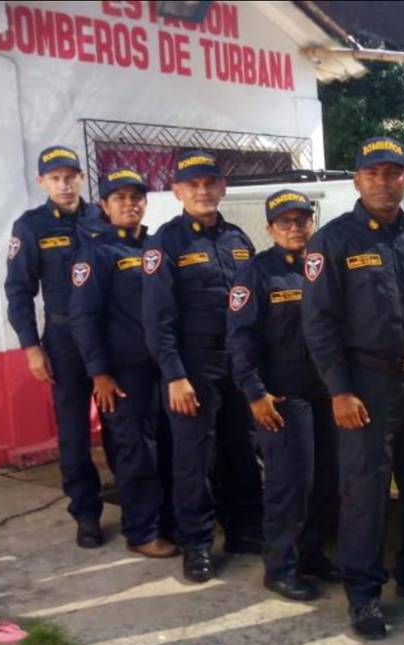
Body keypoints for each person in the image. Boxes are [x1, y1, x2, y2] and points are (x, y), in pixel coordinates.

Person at [301, 137, 404, 640]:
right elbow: (319, 324)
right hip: (364, 384)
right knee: (365, 490)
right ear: (357, 180)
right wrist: (339, 391)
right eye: (374, 174)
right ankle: (363, 595)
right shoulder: (332, 242)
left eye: (393, 173)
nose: (384, 182)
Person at [142, 149, 265, 584]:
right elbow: (157, 318)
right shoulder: (165, 243)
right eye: (193, 185)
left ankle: (244, 531)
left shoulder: (237, 239)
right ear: (177, 191)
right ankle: (195, 544)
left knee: (241, 449)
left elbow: (252, 305)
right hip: (192, 365)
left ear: (222, 188)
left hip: (237, 361)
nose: (203, 191)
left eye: (210, 183)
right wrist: (174, 375)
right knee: (194, 457)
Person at [226, 190, 341, 601]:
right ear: (270, 228)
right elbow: (240, 340)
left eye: (302, 220)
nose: (295, 228)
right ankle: (280, 567)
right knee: (289, 486)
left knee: (327, 482)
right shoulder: (256, 273)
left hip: (327, 393)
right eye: (285, 222)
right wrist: (254, 393)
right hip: (282, 397)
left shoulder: (323, 267)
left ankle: (312, 557)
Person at [4, 145, 108, 549]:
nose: (64, 185)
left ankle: (136, 506)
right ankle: (86, 515)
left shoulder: (101, 216)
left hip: (108, 337)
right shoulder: (31, 226)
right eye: (55, 178)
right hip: (64, 342)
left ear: (82, 177)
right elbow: (18, 290)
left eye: (71, 176)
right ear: (41, 182)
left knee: (122, 428)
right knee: (74, 432)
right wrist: (31, 347)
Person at [69, 169, 177, 559]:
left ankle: (168, 523)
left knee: (166, 446)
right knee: (136, 451)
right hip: (123, 372)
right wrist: (98, 373)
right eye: (120, 199)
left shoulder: (155, 245)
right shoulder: (96, 253)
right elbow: (83, 317)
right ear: (104, 206)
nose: (130, 204)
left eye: (136, 197)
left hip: (163, 368)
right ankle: (142, 531)